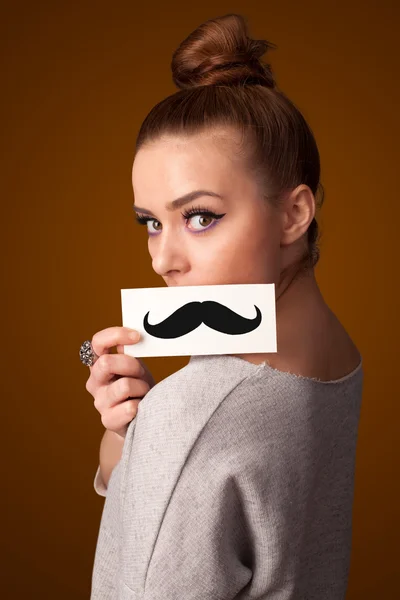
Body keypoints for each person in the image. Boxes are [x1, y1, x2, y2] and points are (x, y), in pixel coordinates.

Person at [82, 13, 363, 599]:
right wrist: (129, 434)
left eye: (201, 217)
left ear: (294, 214)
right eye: (151, 223)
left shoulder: (197, 412)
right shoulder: (337, 353)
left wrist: (167, 427)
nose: (164, 259)